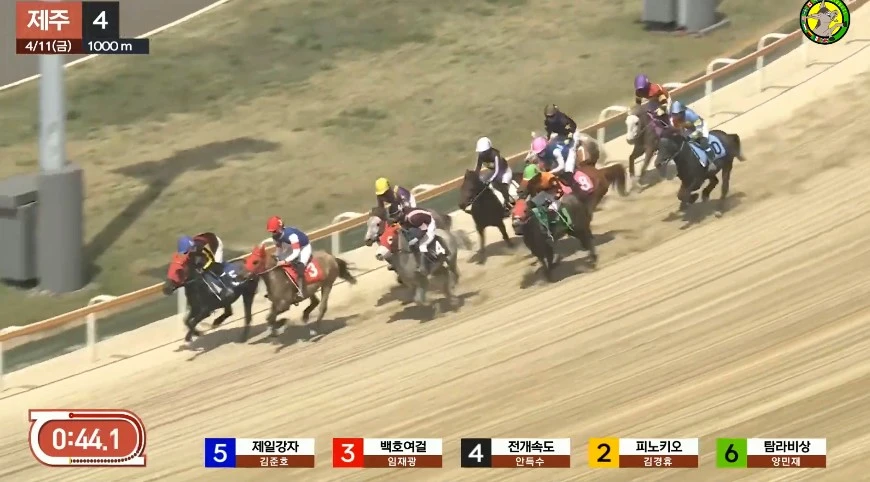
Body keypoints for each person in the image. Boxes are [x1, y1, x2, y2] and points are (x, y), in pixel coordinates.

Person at [266, 215, 312, 297]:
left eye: (274, 231)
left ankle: (302, 290)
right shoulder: (276, 237)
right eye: (271, 231)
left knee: (300, 267)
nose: (273, 233)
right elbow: (279, 249)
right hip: (291, 247)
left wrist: (284, 261)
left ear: (280, 228)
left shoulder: (291, 235)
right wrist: (276, 256)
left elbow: (296, 252)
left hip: (303, 248)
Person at [670, 101, 717, 172]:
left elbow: (699, 126)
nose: (675, 116)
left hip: (700, 126)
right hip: (689, 128)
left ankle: (711, 162)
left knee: (703, 142)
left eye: (677, 114)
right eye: (674, 114)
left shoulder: (690, 114)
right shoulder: (673, 118)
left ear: (682, 112)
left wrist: (692, 136)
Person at [394, 206, 439, 275]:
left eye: (395, 216)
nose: (394, 218)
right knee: (411, 244)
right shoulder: (404, 216)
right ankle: (418, 263)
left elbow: (424, 230)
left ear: (400, 213)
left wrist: (416, 239)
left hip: (428, 223)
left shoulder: (414, 218)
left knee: (422, 245)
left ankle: (430, 262)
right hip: (418, 224)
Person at [473, 136, 513, 211]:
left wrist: (490, 180)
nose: (483, 154)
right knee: (483, 181)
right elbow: (478, 168)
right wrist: (474, 176)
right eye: (481, 152)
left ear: (489, 150)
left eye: (484, 152)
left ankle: (508, 202)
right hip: (493, 172)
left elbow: (498, 170)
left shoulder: (495, 155)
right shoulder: (481, 156)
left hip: (504, 172)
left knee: (503, 186)